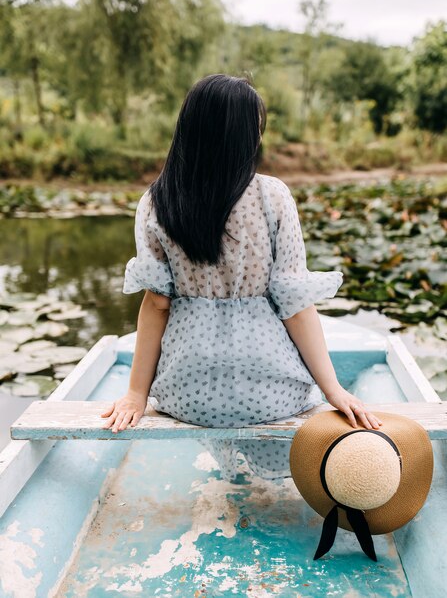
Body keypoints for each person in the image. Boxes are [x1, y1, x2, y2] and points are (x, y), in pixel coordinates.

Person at [101, 73, 382, 482]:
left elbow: (156, 305)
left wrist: (135, 395)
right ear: (245, 136)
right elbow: (295, 306)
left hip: (186, 394)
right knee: (298, 383)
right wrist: (334, 391)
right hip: (270, 394)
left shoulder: (158, 201)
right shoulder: (272, 196)